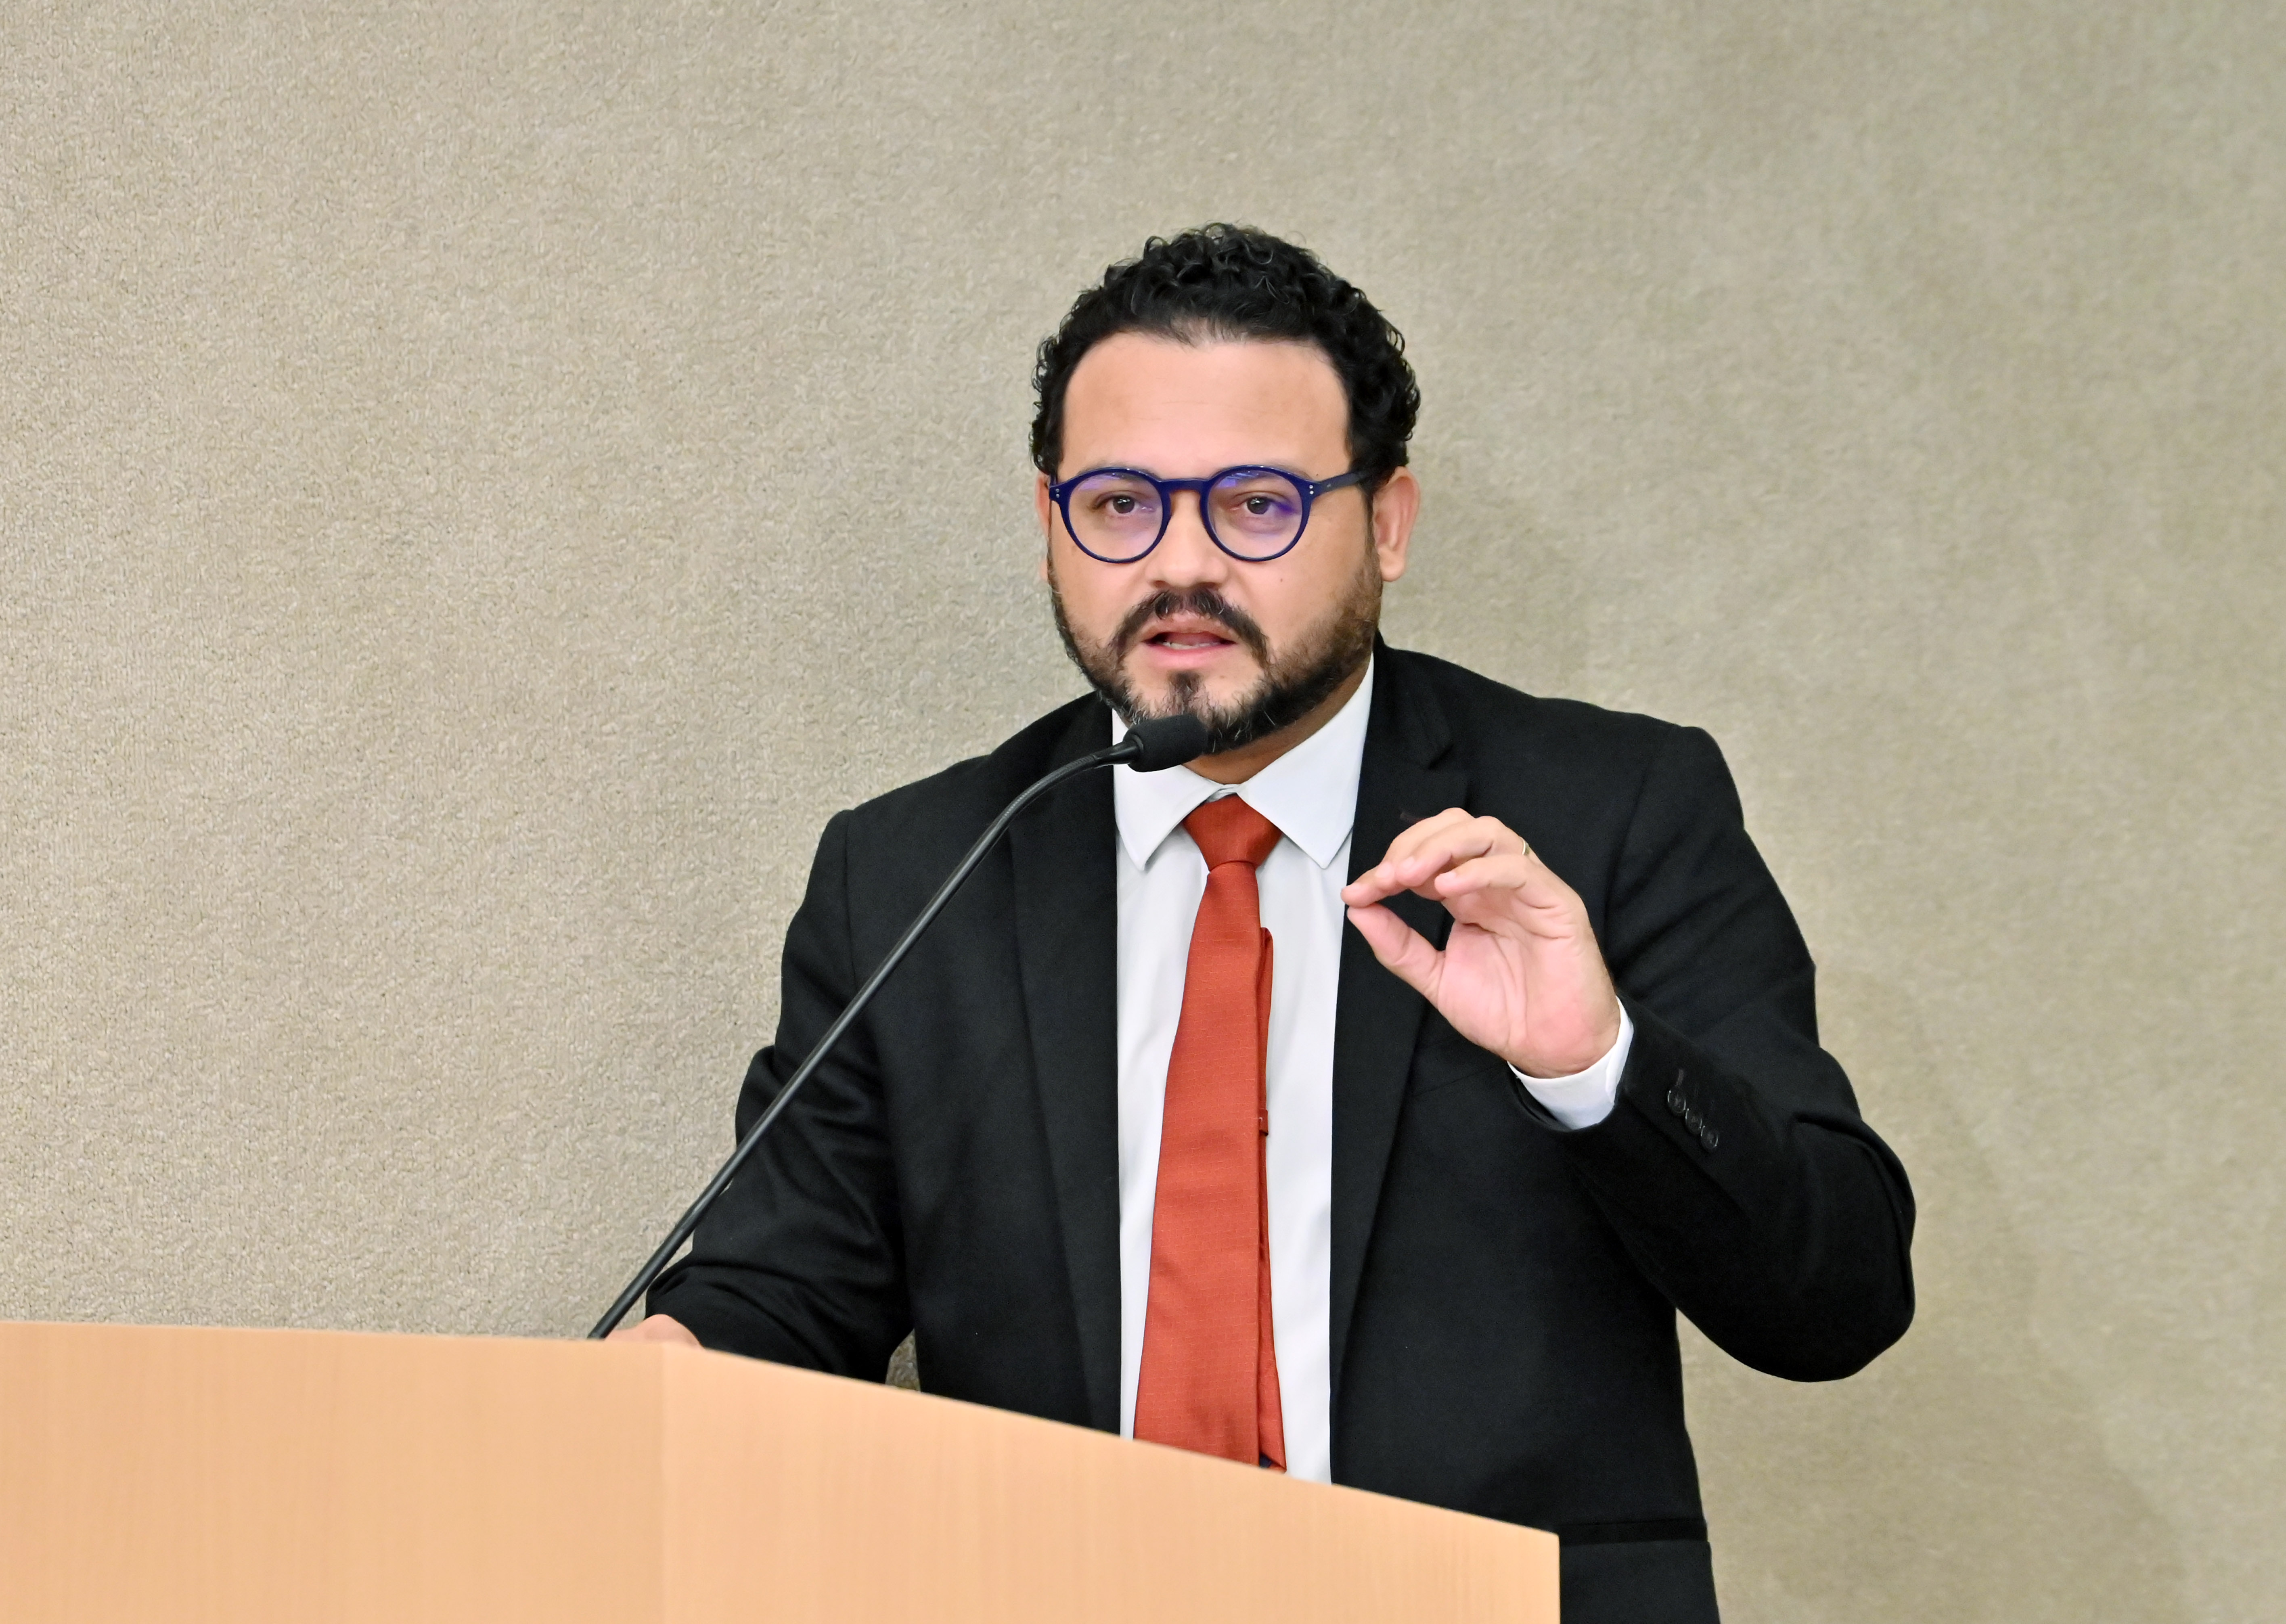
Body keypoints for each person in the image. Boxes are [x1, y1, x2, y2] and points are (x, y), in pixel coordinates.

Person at [617, 224, 1915, 1624]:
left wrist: (1598, 1065)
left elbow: (1834, 1300)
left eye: (1255, 504)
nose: (1180, 565)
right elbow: (789, 1293)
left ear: (1388, 523)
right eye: (1120, 504)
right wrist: (661, 1379)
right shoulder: (916, 872)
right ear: (1049, 522)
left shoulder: (1611, 812)